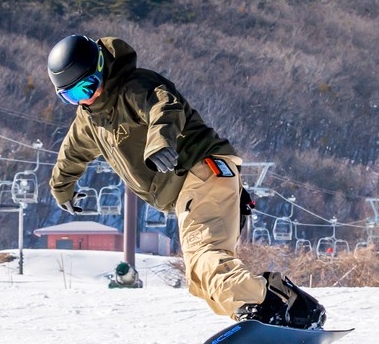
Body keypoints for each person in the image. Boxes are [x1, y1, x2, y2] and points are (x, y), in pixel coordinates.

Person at [46, 35, 324, 327]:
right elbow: (70, 155)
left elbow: (164, 109)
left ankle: (276, 306)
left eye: (88, 86)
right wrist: (61, 190)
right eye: (71, 96)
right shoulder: (89, 121)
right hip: (189, 190)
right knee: (198, 278)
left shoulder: (134, 86)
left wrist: (159, 143)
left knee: (206, 259)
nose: (86, 98)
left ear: (101, 66)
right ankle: (268, 309)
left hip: (201, 169)